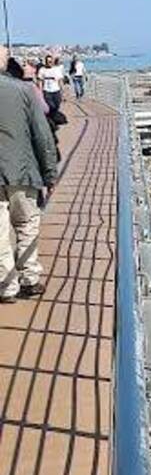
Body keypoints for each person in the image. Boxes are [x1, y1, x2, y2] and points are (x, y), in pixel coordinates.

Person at [0, 46, 60, 303]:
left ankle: (6, 286)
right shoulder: (23, 91)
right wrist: (50, 174)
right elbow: (42, 135)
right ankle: (30, 278)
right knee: (26, 225)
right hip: (22, 171)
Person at [38, 55, 67, 130]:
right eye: (47, 61)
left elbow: (60, 81)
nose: (49, 63)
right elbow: (40, 81)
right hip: (47, 91)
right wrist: (40, 92)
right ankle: (52, 123)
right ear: (45, 62)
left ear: (53, 62)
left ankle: (53, 120)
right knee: (51, 107)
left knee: (56, 106)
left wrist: (63, 92)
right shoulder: (42, 70)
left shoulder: (57, 69)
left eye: (50, 61)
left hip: (56, 91)